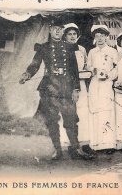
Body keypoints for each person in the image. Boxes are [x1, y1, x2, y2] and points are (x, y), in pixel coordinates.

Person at [19, 23, 92, 160]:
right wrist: (27, 74)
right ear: (51, 30)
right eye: (55, 29)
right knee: (52, 120)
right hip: (49, 88)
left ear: (62, 31)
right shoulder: (43, 47)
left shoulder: (70, 47)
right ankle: (57, 150)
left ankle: (75, 149)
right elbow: (35, 64)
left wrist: (76, 89)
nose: (58, 32)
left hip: (66, 88)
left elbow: (74, 70)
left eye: (60, 29)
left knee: (70, 119)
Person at [59, 23, 92, 155]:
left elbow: (85, 66)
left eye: (74, 34)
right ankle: (69, 144)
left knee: (83, 112)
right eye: (69, 34)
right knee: (68, 113)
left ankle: (84, 143)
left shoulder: (82, 49)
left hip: (81, 85)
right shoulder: (61, 49)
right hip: (67, 85)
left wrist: (86, 72)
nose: (72, 37)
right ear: (65, 36)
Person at [86, 25, 118, 153]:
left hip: (106, 84)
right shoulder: (92, 52)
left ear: (106, 37)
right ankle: (97, 143)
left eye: (102, 36)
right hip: (95, 84)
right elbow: (88, 66)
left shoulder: (112, 51)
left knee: (107, 111)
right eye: (97, 36)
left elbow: (116, 68)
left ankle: (109, 143)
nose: (99, 38)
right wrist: (93, 70)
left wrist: (109, 75)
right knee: (96, 111)